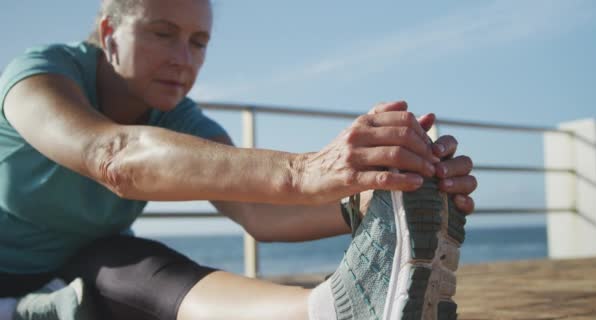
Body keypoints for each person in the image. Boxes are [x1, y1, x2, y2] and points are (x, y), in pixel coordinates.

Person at [0, 0, 477, 319]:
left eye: (198, 43)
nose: (182, 59)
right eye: (163, 34)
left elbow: (260, 211)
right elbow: (112, 156)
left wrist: (381, 190)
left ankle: (323, 311)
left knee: (131, 261)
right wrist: (305, 170)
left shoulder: (182, 119)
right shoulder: (41, 76)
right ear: (109, 33)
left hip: (76, 265)